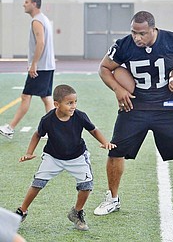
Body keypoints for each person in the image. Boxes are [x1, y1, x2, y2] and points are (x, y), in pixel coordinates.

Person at [93, 11, 173, 218]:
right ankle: (112, 198)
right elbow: (104, 68)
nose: (137, 38)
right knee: (115, 152)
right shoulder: (123, 45)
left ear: (153, 29)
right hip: (135, 106)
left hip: (170, 105)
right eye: (134, 32)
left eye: (142, 33)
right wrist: (118, 89)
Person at [15, 84, 116, 231]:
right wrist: (29, 152)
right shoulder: (47, 120)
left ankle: (76, 212)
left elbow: (93, 130)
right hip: (53, 157)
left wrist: (105, 142)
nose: (73, 106)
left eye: (75, 102)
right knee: (37, 183)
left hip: (77, 157)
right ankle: (22, 211)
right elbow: (37, 134)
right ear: (56, 104)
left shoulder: (80, 116)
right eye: (69, 103)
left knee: (86, 185)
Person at [0, 0, 55, 139]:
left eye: (26, 2)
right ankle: (55, 129)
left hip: (41, 67)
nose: (24, 4)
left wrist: (34, 64)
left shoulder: (37, 21)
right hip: (47, 66)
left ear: (34, 4)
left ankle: (10, 127)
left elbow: (41, 43)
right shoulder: (44, 19)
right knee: (46, 98)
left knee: (26, 96)